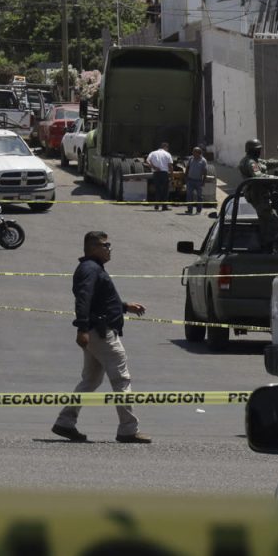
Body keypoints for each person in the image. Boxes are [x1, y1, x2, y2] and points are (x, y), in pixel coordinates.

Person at [51, 231, 151, 444]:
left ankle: (65, 422)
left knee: (91, 380)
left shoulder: (93, 269)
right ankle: (128, 429)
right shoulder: (90, 269)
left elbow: (100, 299)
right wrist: (82, 328)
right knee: (121, 378)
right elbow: (84, 299)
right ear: (94, 247)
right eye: (106, 245)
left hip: (96, 331)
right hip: (101, 333)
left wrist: (125, 307)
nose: (109, 249)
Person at [145, 140, 173, 210]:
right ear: (165, 147)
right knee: (165, 190)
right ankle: (164, 206)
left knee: (158, 189)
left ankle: (156, 205)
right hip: (164, 174)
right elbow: (170, 166)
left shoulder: (153, 153)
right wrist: (172, 176)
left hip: (156, 173)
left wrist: (153, 167)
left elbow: (147, 161)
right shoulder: (167, 154)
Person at [183, 146, 210, 215]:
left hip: (198, 181)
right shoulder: (191, 158)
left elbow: (205, 172)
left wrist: (203, 181)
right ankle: (189, 210)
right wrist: (185, 177)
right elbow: (188, 168)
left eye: (194, 152)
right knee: (189, 195)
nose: (192, 153)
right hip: (190, 180)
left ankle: (198, 210)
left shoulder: (203, 161)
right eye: (193, 151)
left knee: (199, 196)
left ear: (198, 153)